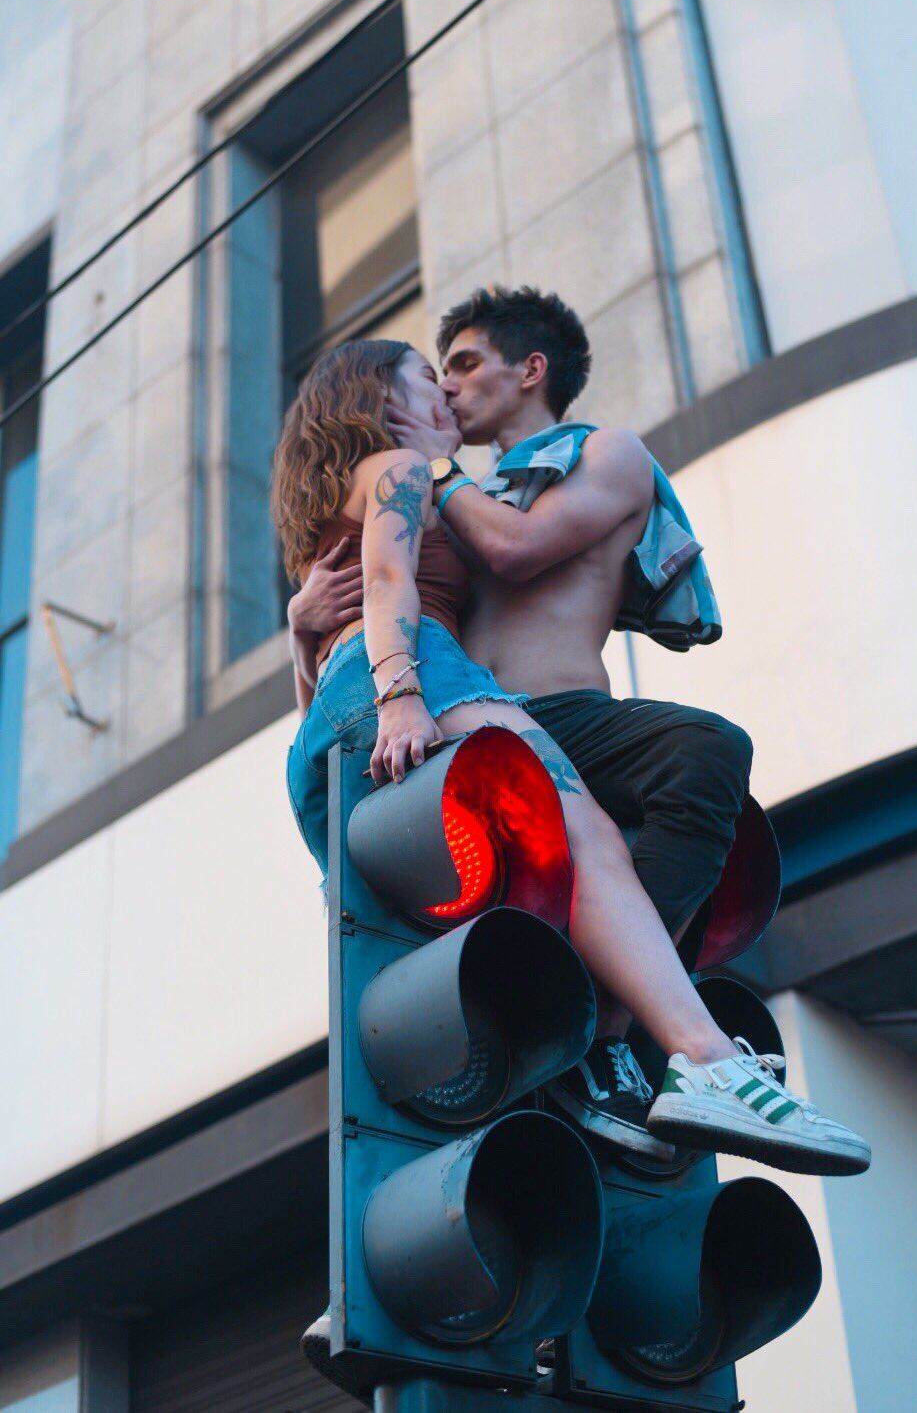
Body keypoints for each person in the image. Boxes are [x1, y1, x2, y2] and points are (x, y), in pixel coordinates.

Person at [280, 330, 869, 1178]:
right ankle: (705, 1058)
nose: (445, 398)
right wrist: (405, 692)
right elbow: (388, 588)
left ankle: (364, 1281)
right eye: (427, 381)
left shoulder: (333, 508)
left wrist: (310, 644)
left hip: (324, 740)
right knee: (578, 829)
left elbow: (321, 706)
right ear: (384, 403)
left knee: (407, 959)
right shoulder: (399, 470)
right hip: (422, 678)